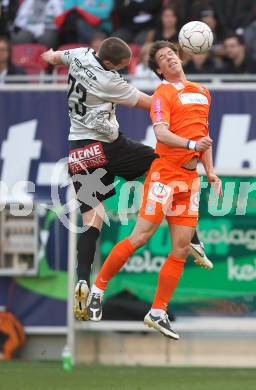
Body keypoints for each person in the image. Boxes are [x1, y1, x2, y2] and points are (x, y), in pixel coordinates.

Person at [41, 37, 213, 322]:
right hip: (109, 146)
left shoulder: (80, 54)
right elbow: (151, 104)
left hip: (78, 151)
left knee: (91, 220)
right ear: (109, 63)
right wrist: (174, 97)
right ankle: (190, 235)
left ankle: (83, 279)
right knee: (163, 166)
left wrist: (48, 54)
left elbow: (54, 57)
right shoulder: (111, 83)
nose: (123, 71)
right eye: (121, 67)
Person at [87, 40, 221, 340]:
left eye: (172, 53)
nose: (170, 58)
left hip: (190, 179)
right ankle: (98, 288)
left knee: (181, 248)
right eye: (163, 57)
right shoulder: (162, 93)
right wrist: (190, 145)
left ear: (180, 56)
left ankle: (158, 311)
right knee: (141, 237)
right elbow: (161, 133)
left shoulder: (202, 92)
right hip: (165, 174)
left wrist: (210, 172)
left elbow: (204, 136)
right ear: (159, 70)